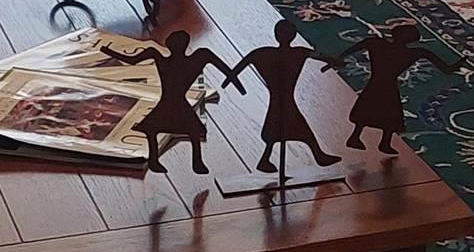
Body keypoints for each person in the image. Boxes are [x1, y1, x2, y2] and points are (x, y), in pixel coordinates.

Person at [230, 17, 338, 183]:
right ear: (294, 35)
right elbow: (321, 56)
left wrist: (236, 84)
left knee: (279, 126)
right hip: (286, 98)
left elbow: (236, 70)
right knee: (298, 127)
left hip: (278, 98)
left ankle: (267, 159)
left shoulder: (262, 53)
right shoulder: (300, 52)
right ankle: (317, 156)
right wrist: (335, 60)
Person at [346, 19, 459, 157]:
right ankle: (384, 142)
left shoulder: (376, 43)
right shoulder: (416, 52)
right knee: (390, 112)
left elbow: (353, 49)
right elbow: (447, 69)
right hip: (389, 84)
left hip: (375, 81)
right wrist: (460, 62)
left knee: (368, 107)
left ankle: (356, 137)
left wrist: (335, 60)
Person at [140, 29, 234, 175]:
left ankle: (191, 162)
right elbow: (220, 65)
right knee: (191, 132)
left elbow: (132, 59)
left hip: (170, 103)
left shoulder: (161, 58)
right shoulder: (196, 58)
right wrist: (233, 78)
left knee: (155, 129)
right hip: (175, 103)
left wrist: (233, 77)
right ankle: (194, 162)